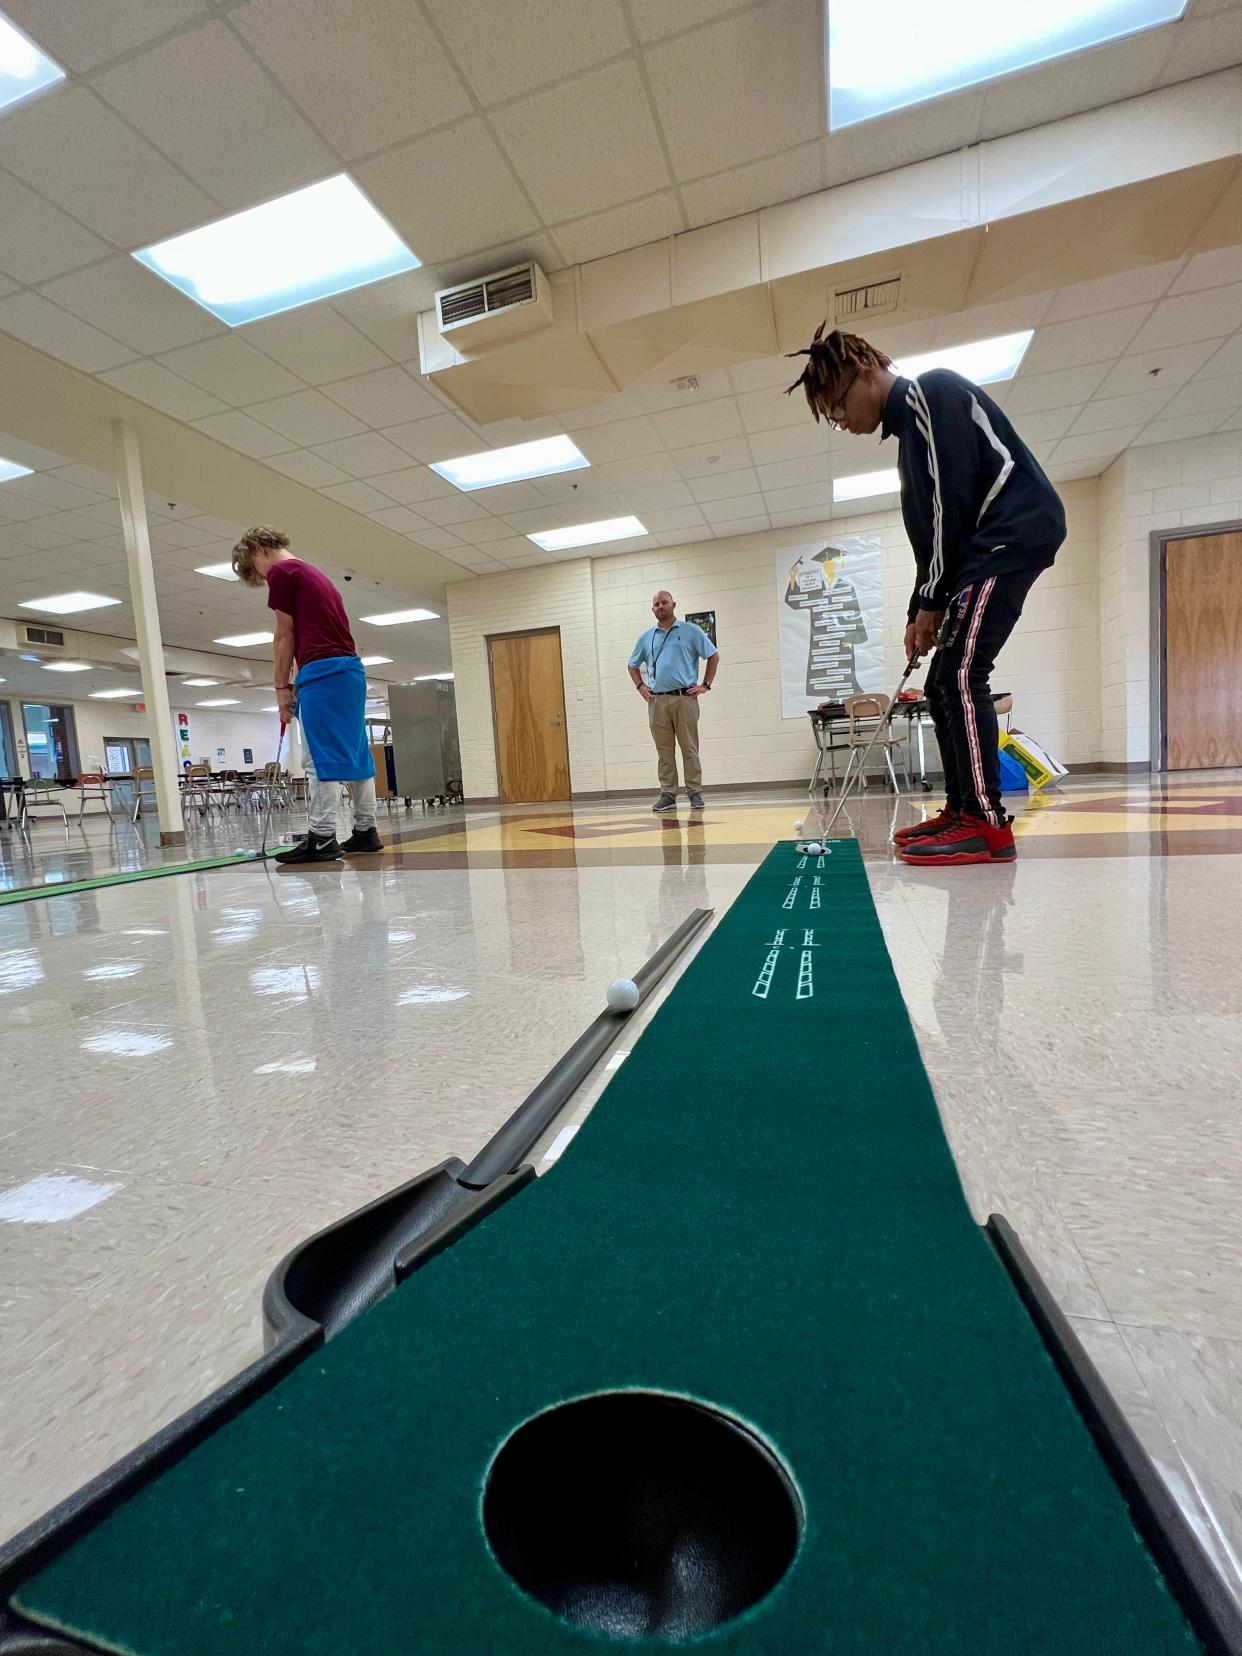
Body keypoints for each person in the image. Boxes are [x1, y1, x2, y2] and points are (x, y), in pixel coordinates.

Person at [786, 326, 1066, 867]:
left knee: (962, 672)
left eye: (839, 403)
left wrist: (934, 600)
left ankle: (986, 823)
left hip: (1007, 534)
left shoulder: (929, 395)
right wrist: (921, 610)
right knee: (942, 681)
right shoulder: (910, 436)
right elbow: (929, 538)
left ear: (867, 372)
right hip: (978, 552)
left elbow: (950, 510)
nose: (840, 420)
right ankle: (962, 808)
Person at [230, 526, 382, 865]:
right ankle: (366, 831)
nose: (262, 577)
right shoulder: (314, 573)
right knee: (355, 754)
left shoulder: (283, 572)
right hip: (348, 672)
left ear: (259, 550)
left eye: (256, 571)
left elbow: (285, 635)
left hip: (324, 672)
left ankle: (322, 837)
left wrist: (281, 687)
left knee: (319, 758)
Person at [627, 591, 719, 813]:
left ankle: (694, 792)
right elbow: (632, 665)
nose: (660, 606)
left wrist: (705, 685)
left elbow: (713, 655)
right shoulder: (646, 637)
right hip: (657, 701)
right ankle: (668, 794)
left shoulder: (690, 631)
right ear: (653, 610)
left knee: (689, 748)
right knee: (664, 751)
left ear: (673, 605)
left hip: (684, 698)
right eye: (656, 604)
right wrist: (641, 686)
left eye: (664, 602)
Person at [784, 542, 866, 700]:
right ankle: (833, 701)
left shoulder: (846, 587)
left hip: (841, 641)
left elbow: (855, 614)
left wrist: (852, 638)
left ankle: (844, 701)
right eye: (826, 564)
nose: (829, 566)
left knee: (843, 675)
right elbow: (793, 601)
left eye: (832, 563)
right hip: (822, 642)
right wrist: (793, 577)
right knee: (824, 674)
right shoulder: (815, 589)